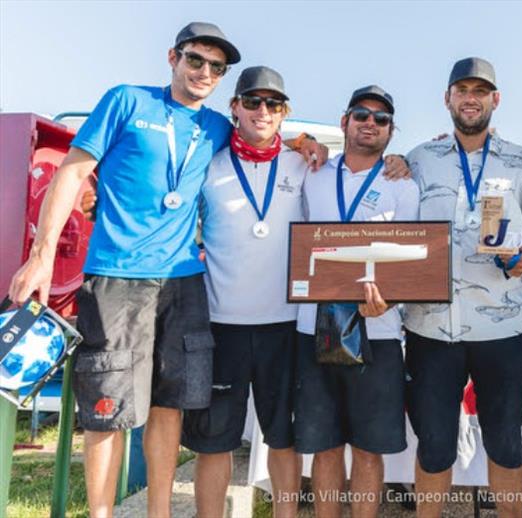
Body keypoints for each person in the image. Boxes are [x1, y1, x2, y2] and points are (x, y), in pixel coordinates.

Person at [5, 23, 328, 517]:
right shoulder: (126, 101)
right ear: (173, 57)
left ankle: (159, 511)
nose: (204, 72)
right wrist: (42, 254)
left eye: (216, 68)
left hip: (182, 281)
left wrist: (306, 140)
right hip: (117, 275)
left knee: (169, 406)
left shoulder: (216, 127)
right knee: (106, 412)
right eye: (196, 60)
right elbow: (71, 171)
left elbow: (264, 134)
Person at [403, 57, 522, 517]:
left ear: (495, 99)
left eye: (480, 91)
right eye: (462, 90)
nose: (471, 98)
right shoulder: (417, 160)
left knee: (507, 445)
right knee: (434, 448)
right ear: (447, 99)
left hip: (503, 329)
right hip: (430, 329)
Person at [180, 66, 305, 518]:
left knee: (283, 439)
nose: (262, 111)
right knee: (215, 443)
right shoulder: (208, 163)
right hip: (220, 326)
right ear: (234, 107)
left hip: (285, 327)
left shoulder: (304, 163)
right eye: (252, 101)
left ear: (285, 113)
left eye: (273, 104)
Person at [293, 85, 419, 518]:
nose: (371, 123)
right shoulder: (313, 170)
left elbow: (411, 256)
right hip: (314, 327)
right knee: (324, 449)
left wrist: (391, 297)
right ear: (343, 121)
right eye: (361, 114)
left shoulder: (402, 182)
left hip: (377, 330)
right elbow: (270, 137)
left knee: (369, 450)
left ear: (391, 131)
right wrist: (302, 142)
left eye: (381, 119)